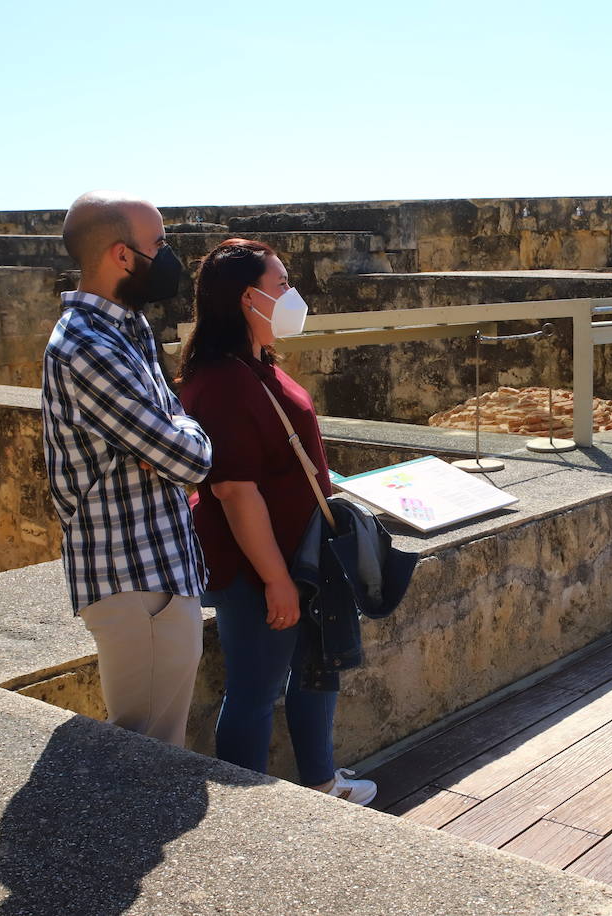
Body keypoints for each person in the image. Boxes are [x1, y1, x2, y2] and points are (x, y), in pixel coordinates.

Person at [177, 239, 376, 805]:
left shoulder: (255, 364)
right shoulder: (221, 382)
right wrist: (275, 579)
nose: (292, 296)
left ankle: (321, 781)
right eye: (282, 285)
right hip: (260, 563)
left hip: (304, 553)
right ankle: (252, 814)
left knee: (317, 669)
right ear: (248, 297)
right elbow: (236, 492)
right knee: (256, 689)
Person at [41, 190, 212, 747]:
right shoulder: (87, 344)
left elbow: (175, 427)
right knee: (146, 747)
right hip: (135, 576)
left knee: (156, 744)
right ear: (121, 255)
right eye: (158, 244)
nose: (167, 258)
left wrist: (171, 433)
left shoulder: (126, 329)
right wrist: (178, 438)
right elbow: (191, 457)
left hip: (157, 568)